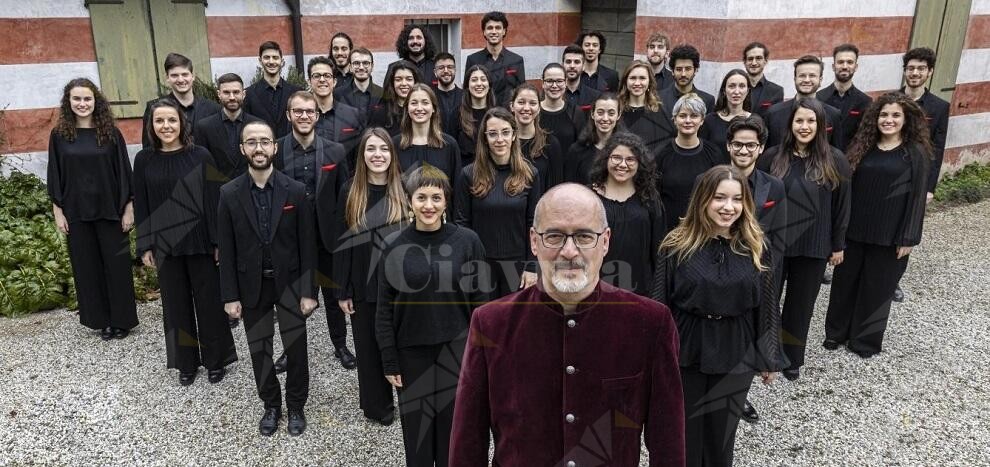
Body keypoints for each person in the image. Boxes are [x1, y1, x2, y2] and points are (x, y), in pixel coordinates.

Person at [450, 183, 685, 466]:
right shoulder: (490, 323)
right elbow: (467, 441)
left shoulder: (650, 323)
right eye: (554, 236)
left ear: (606, 241)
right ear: (534, 241)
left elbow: (668, 441)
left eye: (585, 236)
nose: (569, 251)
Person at [651, 165, 785, 467]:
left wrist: (769, 355)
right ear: (703, 200)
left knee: (721, 433)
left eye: (737, 199)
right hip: (687, 345)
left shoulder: (756, 246)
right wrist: (655, 355)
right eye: (719, 198)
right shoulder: (676, 245)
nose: (728, 207)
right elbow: (660, 303)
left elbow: (766, 303)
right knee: (684, 431)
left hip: (735, 346)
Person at [377, 166, 489, 467]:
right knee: (418, 435)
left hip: (457, 351)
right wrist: (389, 359)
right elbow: (383, 307)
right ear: (409, 200)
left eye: (436, 198)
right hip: (411, 353)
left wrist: (480, 354)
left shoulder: (468, 241)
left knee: (454, 432)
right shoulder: (392, 245)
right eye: (421, 197)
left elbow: (482, 304)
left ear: (446, 200)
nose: (429, 205)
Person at [217, 120, 318, 436]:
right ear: (243, 149)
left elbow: (308, 246)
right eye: (252, 142)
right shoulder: (229, 194)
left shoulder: (296, 191)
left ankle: (297, 405)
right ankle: (272, 405)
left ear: (275, 147)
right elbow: (227, 250)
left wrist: (309, 291)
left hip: (289, 285)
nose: (258, 148)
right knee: (259, 350)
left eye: (264, 142)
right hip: (251, 287)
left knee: (297, 350)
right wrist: (230, 296)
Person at [133, 100, 237, 386]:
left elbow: (214, 200)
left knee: (210, 303)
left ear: (182, 123)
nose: (166, 126)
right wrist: (145, 245)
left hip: (201, 240)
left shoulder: (200, 155)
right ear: (151, 126)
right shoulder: (143, 160)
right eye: (159, 121)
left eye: (171, 120)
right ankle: (186, 363)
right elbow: (142, 204)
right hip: (165, 244)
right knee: (175, 306)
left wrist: (219, 241)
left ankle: (216, 360)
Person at [824, 93, 930, 357]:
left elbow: (918, 198)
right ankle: (836, 334)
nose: (889, 120)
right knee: (844, 285)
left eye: (895, 115)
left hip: (890, 234)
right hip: (855, 231)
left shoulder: (914, 154)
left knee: (877, 290)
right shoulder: (861, 147)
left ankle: (865, 341)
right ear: (875, 118)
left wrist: (908, 237)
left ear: (906, 120)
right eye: (884, 114)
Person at [757, 97, 850, 381]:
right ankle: (765, 354)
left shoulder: (835, 160)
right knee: (767, 301)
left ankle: (792, 357)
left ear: (821, 125)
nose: (805, 126)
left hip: (813, 246)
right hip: (775, 245)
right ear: (790, 124)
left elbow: (843, 206)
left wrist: (838, 245)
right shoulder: (772, 157)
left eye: (811, 121)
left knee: (801, 306)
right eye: (799, 120)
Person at [47, 78, 138, 340]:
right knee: (87, 268)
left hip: (110, 209)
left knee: (116, 267)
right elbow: (55, 173)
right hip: (77, 212)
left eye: (87, 99)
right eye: (77, 99)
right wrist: (58, 211)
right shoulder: (60, 136)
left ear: (96, 101)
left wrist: (128, 207)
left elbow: (124, 171)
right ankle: (102, 321)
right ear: (68, 102)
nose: (82, 103)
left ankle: (122, 320)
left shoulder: (110, 133)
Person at [274, 90, 354, 371]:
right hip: (290, 239)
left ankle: (340, 345)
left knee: (333, 298)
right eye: (299, 111)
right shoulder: (277, 150)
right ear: (289, 115)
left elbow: (345, 193)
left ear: (317, 116)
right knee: (292, 298)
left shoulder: (335, 150)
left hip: (327, 238)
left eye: (309, 111)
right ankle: (290, 350)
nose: (304, 116)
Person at [334, 127, 409, 425]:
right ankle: (378, 406)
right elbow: (341, 242)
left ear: (392, 154)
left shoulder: (405, 189)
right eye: (371, 150)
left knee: (401, 344)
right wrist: (343, 289)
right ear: (362, 155)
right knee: (367, 348)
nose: (377, 155)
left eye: (383, 149)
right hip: (363, 282)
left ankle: (408, 398)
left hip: (400, 284)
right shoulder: (350, 191)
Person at [724, 115, 787, 425]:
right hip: (720, 270)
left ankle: (740, 393)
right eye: (738, 144)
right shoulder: (711, 181)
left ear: (761, 148)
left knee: (750, 333)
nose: (743, 150)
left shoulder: (774, 186)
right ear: (728, 146)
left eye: (750, 145)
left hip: (756, 270)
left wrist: (773, 277)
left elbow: (779, 237)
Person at [455, 107, 541, 299]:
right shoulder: (468, 175)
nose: (499, 139)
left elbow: (533, 224)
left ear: (513, 135)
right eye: (492, 134)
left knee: (513, 324)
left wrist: (532, 266)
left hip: (517, 267)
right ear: (485, 138)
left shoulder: (530, 174)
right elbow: (462, 224)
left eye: (505, 132)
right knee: (484, 324)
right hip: (480, 265)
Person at [896, 47, 949, 303]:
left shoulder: (939, 107)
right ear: (905, 71)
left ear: (929, 72)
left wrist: (930, 187)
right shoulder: (891, 101)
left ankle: (894, 279)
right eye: (911, 68)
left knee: (908, 227)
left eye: (920, 69)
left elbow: (937, 150)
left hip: (917, 179)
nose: (915, 73)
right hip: (890, 174)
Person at [588, 132, 665, 296]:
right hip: (596, 288)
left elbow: (659, 250)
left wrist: (657, 293)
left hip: (640, 288)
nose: (622, 164)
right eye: (616, 157)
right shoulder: (589, 198)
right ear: (606, 159)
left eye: (630, 159)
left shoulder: (650, 198)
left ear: (639, 163)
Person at [655, 94, 728, 229]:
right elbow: (654, 196)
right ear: (674, 120)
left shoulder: (714, 153)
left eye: (694, 116)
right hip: (668, 228)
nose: (688, 120)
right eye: (682, 116)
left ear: (702, 120)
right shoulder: (660, 154)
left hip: (704, 228)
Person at [141, 52, 220, 148]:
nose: (181, 80)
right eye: (174, 75)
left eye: (185, 74)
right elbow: (149, 147)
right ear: (167, 78)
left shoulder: (213, 108)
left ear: (193, 76)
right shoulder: (154, 108)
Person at [195, 73, 262, 182]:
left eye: (236, 92)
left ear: (244, 94)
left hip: (252, 189)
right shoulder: (204, 127)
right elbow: (201, 166)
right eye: (226, 92)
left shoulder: (258, 125)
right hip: (218, 192)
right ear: (219, 94)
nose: (232, 97)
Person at [765, 55, 841, 148]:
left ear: (820, 80)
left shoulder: (833, 114)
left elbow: (836, 153)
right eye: (802, 75)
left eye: (812, 75)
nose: (806, 80)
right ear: (794, 79)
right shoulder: (773, 113)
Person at [394, 83, 462, 184]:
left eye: (425, 103)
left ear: (433, 108)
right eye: (414, 103)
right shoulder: (395, 144)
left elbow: (457, 187)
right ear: (407, 108)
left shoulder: (449, 145)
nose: (419, 108)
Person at [308, 56, 365, 164]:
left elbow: (359, 154)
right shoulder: (301, 117)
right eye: (316, 76)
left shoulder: (353, 115)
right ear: (309, 82)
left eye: (327, 76)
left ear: (334, 82)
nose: (322, 80)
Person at [818, 44, 872, 152]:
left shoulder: (865, 101)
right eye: (840, 62)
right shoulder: (819, 98)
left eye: (850, 62)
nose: (845, 66)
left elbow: (865, 136)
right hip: (823, 160)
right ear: (833, 66)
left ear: (856, 67)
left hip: (851, 161)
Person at [464, 11, 525, 105]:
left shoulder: (516, 60)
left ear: (504, 31)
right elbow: (467, 92)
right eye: (489, 28)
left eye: (498, 28)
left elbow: (521, 93)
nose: (494, 32)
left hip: (508, 116)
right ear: (484, 32)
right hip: (482, 115)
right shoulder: (473, 60)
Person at [243, 41, 301, 139]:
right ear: (260, 61)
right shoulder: (248, 94)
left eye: (275, 57)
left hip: (290, 150)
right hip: (262, 150)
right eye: (266, 57)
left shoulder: (296, 92)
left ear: (282, 61)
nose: (271, 62)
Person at [510, 83, 564, 188]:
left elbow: (557, 186)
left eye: (532, 103)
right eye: (521, 102)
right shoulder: (504, 141)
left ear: (539, 108)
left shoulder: (551, 143)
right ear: (512, 106)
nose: (526, 108)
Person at [618, 60, 675, 153]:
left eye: (642, 78)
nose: (637, 83)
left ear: (649, 81)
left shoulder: (659, 111)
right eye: (632, 78)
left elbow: (664, 146)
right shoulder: (616, 109)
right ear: (625, 81)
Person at [564, 93, 622, 185]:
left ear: (618, 115)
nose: (605, 118)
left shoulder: (626, 150)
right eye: (600, 112)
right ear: (592, 114)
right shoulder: (576, 151)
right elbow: (570, 189)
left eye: (611, 113)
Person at [700, 69, 753, 156]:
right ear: (724, 91)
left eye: (742, 86)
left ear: (747, 91)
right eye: (732, 86)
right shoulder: (710, 120)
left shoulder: (755, 121)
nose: (736, 91)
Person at [539, 62, 586, 156]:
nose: (554, 85)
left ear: (565, 82)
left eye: (559, 81)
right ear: (543, 83)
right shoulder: (534, 111)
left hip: (568, 169)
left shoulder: (575, 112)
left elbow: (582, 148)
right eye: (549, 81)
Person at [453, 65, 495, 167]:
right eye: (474, 80)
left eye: (483, 79)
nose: (479, 84)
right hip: (466, 177)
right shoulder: (457, 114)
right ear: (467, 85)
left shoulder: (498, 114)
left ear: (489, 85)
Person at [659, 45, 715, 119]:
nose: (683, 74)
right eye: (679, 69)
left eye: (688, 69)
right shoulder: (658, 98)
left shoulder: (708, 100)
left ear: (696, 70)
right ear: (672, 71)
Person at [369, 60, 421, 138]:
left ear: (415, 82)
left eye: (409, 79)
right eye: (398, 79)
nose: (404, 83)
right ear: (392, 83)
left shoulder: (423, 109)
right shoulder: (381, 111)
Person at [336, 47, 384, 124]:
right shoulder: (338, 94)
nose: (361, 67)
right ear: (350, 67)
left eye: (365, 63)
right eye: (356, 63)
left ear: (372, 66)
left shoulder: (383, 94)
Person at [389, 24, 437, 88]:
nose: (415, 41)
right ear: (405, 42)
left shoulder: (436, 67)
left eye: (419, 37)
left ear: (426, 41)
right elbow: (388, 95)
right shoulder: (393, 68)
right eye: (411, 38)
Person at [743, 42, 784, 117]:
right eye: (750, 59)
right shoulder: (735, 88)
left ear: (765, 61)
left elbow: (776, 120)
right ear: (744, 62)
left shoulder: (776, 91)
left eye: (758, 58)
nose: (754, 63)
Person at [562, 44, 602, 110]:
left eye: (577, 62)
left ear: (583, 66)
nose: (572, 66)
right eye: (568, 62)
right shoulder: (553, 93)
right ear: (562, 65)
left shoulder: (595, 96)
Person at [433, 52, 464, 135]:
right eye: (441, 68)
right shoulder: (429, 96)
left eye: (450, 67)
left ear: (455, 70)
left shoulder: (465, 96)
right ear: (435, 72)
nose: (446, 71)